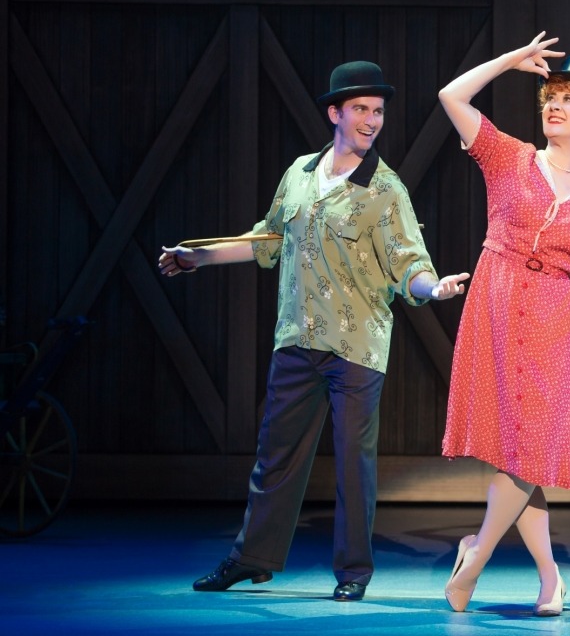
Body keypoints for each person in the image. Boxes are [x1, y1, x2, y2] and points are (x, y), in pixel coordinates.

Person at [158, 61, 469, 601]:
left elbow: (408, 264)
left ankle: (353, 572)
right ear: (335, 113)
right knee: (275, 457)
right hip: (297, 337)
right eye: (361, 109)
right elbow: (267, 239)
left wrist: (433, 287)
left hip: (356, 346)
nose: (371, 120)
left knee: (353, 464)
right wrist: (198, 258)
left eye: (378, 111)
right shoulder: (300, 173)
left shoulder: (385, 189)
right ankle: (252, 559)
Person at [437, 33, 570, 616]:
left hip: (556, 321)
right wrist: (509, 61)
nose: (554, 106)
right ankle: (550, 577)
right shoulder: (510, 157)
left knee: (529, 450)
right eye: (551, 97)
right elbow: (451, 96)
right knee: (516, 453)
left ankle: (476, 555)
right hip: (497, 304)